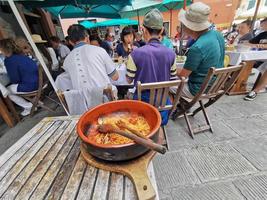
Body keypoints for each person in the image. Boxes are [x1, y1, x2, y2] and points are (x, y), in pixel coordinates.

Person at [126, 9, 177, 125]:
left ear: (144, 30)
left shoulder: (134, 54)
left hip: (142, 106)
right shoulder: (171, 54)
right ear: (161, 31)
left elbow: (128, 80)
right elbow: (173, 80)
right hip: (163, 106)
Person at [175, 2, 225, 99]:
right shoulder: (217, 35)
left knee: (164, 87)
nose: (183, 27)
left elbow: (183, 76)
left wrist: (170, 68)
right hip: (215, 86)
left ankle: (173, 110)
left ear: (190, 27)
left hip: (197, 90)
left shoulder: (197, 47)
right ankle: (181, 106)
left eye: (184, 24)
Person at [63, 24, 119, 90]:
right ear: (87, 37)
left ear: (70, 42)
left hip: (81, 99)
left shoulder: (66, 61)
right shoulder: (99, 50)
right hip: (104, 97)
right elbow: (115, 77)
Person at [0, 38, 38, 116]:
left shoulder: (9, 60)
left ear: (3, 49)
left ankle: (29, 107)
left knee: (7, 91)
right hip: (39, 82)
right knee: (12, 87)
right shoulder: (21, 55)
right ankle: (33, 104)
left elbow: (15, 80)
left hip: (31, 86)